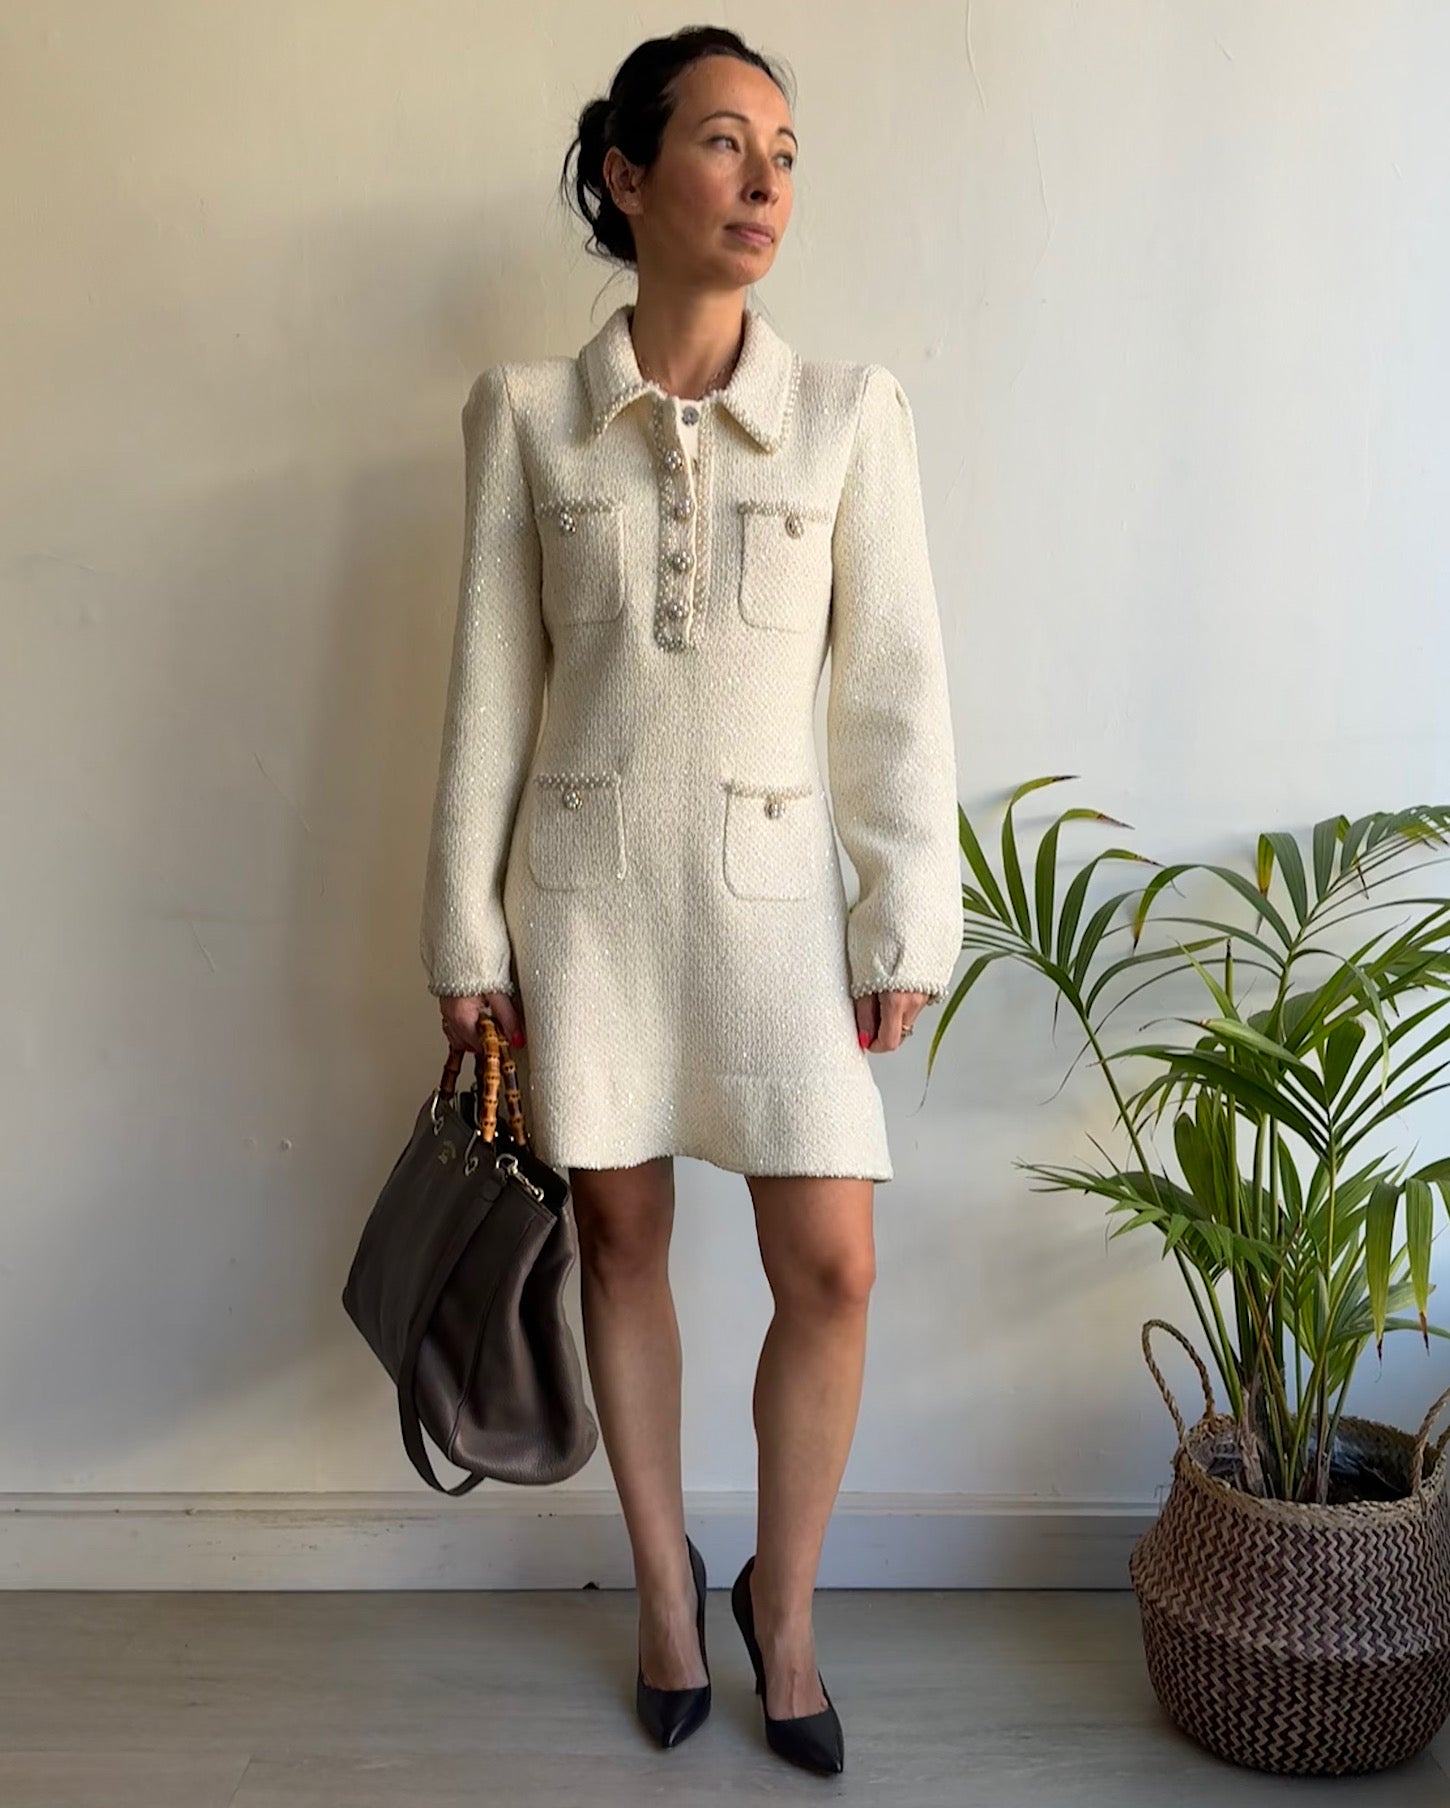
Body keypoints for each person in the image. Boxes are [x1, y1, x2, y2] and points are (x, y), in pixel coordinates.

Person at [418, 25, 960, 1778]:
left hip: (775, 910)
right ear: (628, 176)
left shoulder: (849, 414)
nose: (764, 182)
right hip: (584, 901)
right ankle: (664, 1590)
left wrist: (903, 914)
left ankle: (778, 1607)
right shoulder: (524, 417)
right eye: (726, 143)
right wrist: (463, 934)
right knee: (620, 1242)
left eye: (784, 153)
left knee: (833, 1267)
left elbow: (893, 695)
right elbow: (490, 691)